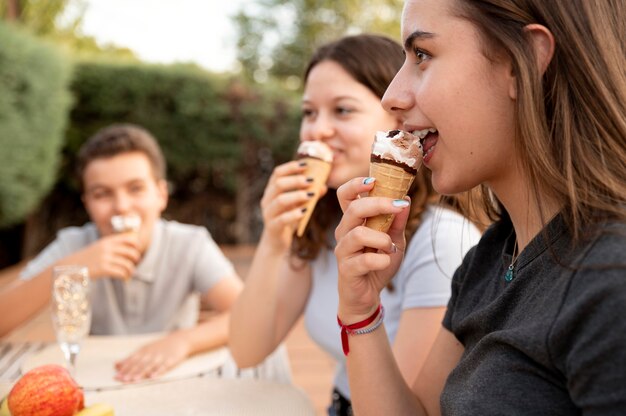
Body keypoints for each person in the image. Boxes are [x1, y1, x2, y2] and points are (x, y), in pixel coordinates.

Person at [333, 0, 626, 414]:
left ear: (520, 62)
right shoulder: (490, 257)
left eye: (422, 55)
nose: (391, 97)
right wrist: (361, 310)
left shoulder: (610, 279)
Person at [229, 34, 483, 415]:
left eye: (342, 111)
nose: (317, 130)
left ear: (398, 120)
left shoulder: (439, 240)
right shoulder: (322, 225)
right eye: (309, 112)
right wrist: (273, 241)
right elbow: (248, 350)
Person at [0, 123, 243, 382]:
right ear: (87, 204)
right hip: (98, 376)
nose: (121, 207)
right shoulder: (74, 245)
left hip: (175, 377)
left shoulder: (191, 244)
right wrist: (76, 267)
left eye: (135, 188)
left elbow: (246, 314)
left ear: (161, 195)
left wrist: (183, 342)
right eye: (102, 194)